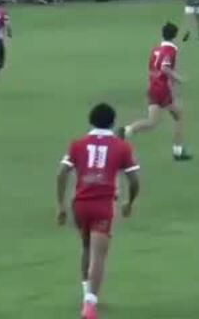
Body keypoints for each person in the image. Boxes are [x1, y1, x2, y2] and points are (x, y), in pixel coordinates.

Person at [57, 103, 141, 319]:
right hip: (103, 205)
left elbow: (62, 173)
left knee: (86, 248)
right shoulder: (121, 147)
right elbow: (134, 180)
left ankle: (87, 294)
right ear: (113, 122)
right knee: (99, 255)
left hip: (80, 204)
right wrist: (130, 202)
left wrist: (60, 206)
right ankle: (90, 305)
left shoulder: (77, 145)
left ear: (90, 121)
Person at [119, 22, 192, 161]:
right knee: (178, 116)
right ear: (175, 36)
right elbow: (165, 68)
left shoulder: (156, 50)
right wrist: (178, 79)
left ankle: (126, 131)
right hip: (162, 89)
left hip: (153, 87)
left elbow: (153, 68)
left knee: (152, 122)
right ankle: (178, 151)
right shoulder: (171, 50)